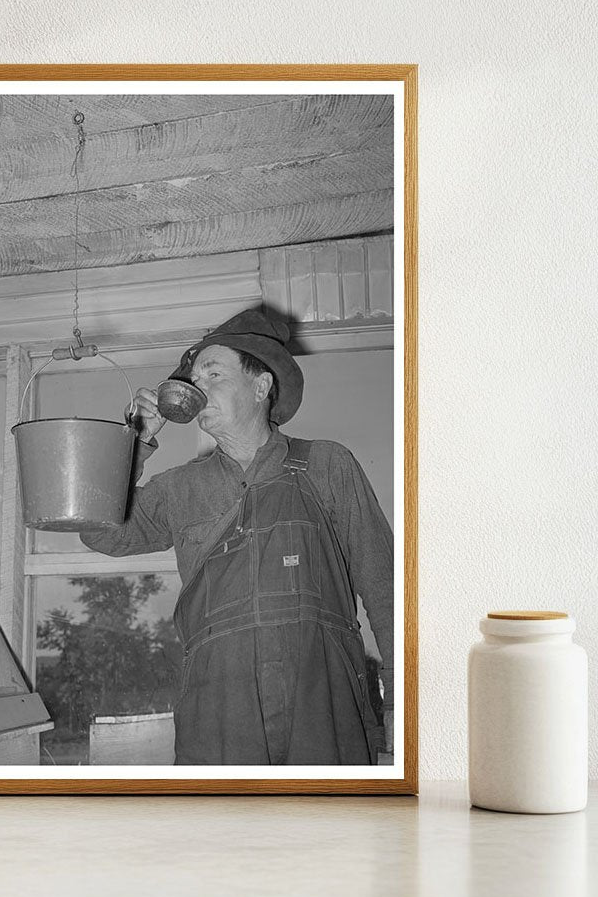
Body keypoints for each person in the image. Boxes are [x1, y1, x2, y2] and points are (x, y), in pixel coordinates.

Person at [79, 308, 394, 765]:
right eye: (194, 378)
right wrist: (135, 444)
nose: (197, 386)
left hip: (323, 705)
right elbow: (99, 532)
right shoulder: (180, 489)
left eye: (214, 373)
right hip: (219, 714)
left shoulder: (328, 466)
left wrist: (405, 704)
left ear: (261, 386)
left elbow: (385, 588)